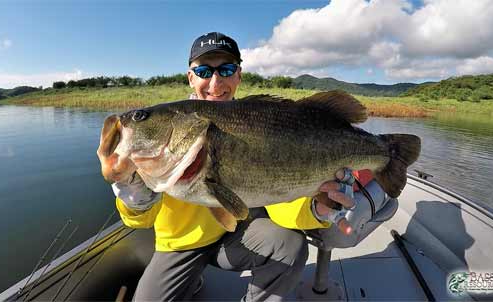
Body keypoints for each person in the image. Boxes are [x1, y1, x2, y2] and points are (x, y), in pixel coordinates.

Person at [99, 32, 379, 301]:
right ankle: (192, 279)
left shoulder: (256, 119)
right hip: (180, 246)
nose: (215, 81)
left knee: (289, 247)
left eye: (227, 69)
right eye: (205, 71)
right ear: (190, 77)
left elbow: (280, 197)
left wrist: (318, 208)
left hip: (236, 236)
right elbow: (141, 219)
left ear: (238, 75)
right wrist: (128, 182)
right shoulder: (150, 151)